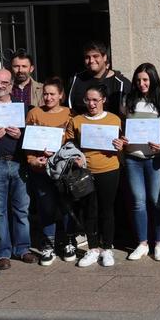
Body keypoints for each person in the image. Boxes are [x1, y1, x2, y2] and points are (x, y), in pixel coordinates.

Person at [115, 63, 160, 262]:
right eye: (138, 80)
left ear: (153, 80)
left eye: (146, 79)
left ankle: (158, 243)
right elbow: (121, 127)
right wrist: (122, 138)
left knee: (156, 202)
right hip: (133, 159)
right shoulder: (127, 101)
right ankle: (142, 243)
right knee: (138, 202)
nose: (141, 83)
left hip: (155, 159)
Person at [65, 83, 123, 268]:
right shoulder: (77, 120)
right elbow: (68, 145)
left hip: (109, 169)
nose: (91, 104)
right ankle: (93, 248)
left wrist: (121, 145)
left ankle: (107, 248)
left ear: (103, 100)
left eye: (95, 100)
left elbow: (123, 143)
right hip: (86, 171)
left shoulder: (115, 119)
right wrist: (75, 157)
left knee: (107, 210)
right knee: (89, 210)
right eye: (87, 100)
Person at [0, 68, 35, 269]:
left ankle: (22, 249)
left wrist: (19, 135)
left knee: (21, 208)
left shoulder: (22, 108)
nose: (0, 86)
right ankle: (2, 252)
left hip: (18, 162)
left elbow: (32, 136)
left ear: (11, 85)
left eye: (4, 83)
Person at [24, 76, 73, 266]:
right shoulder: (34, 113)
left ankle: (68, 240)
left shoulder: (70, 114)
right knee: (46, 208)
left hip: (63, 170)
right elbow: (28, 143)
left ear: (61, 95)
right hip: (41, 170)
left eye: (52, 94)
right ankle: (48, 244)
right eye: (45, 94)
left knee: (66, 206)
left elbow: (72, 141)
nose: (48, 97)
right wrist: (33, 159)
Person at [67, 40, 131, 115]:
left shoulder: (121, 83)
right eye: (87, 57)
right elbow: (69, 109)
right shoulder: (76, 80)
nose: (91, 60)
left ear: (104, 57)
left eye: (95, 56)